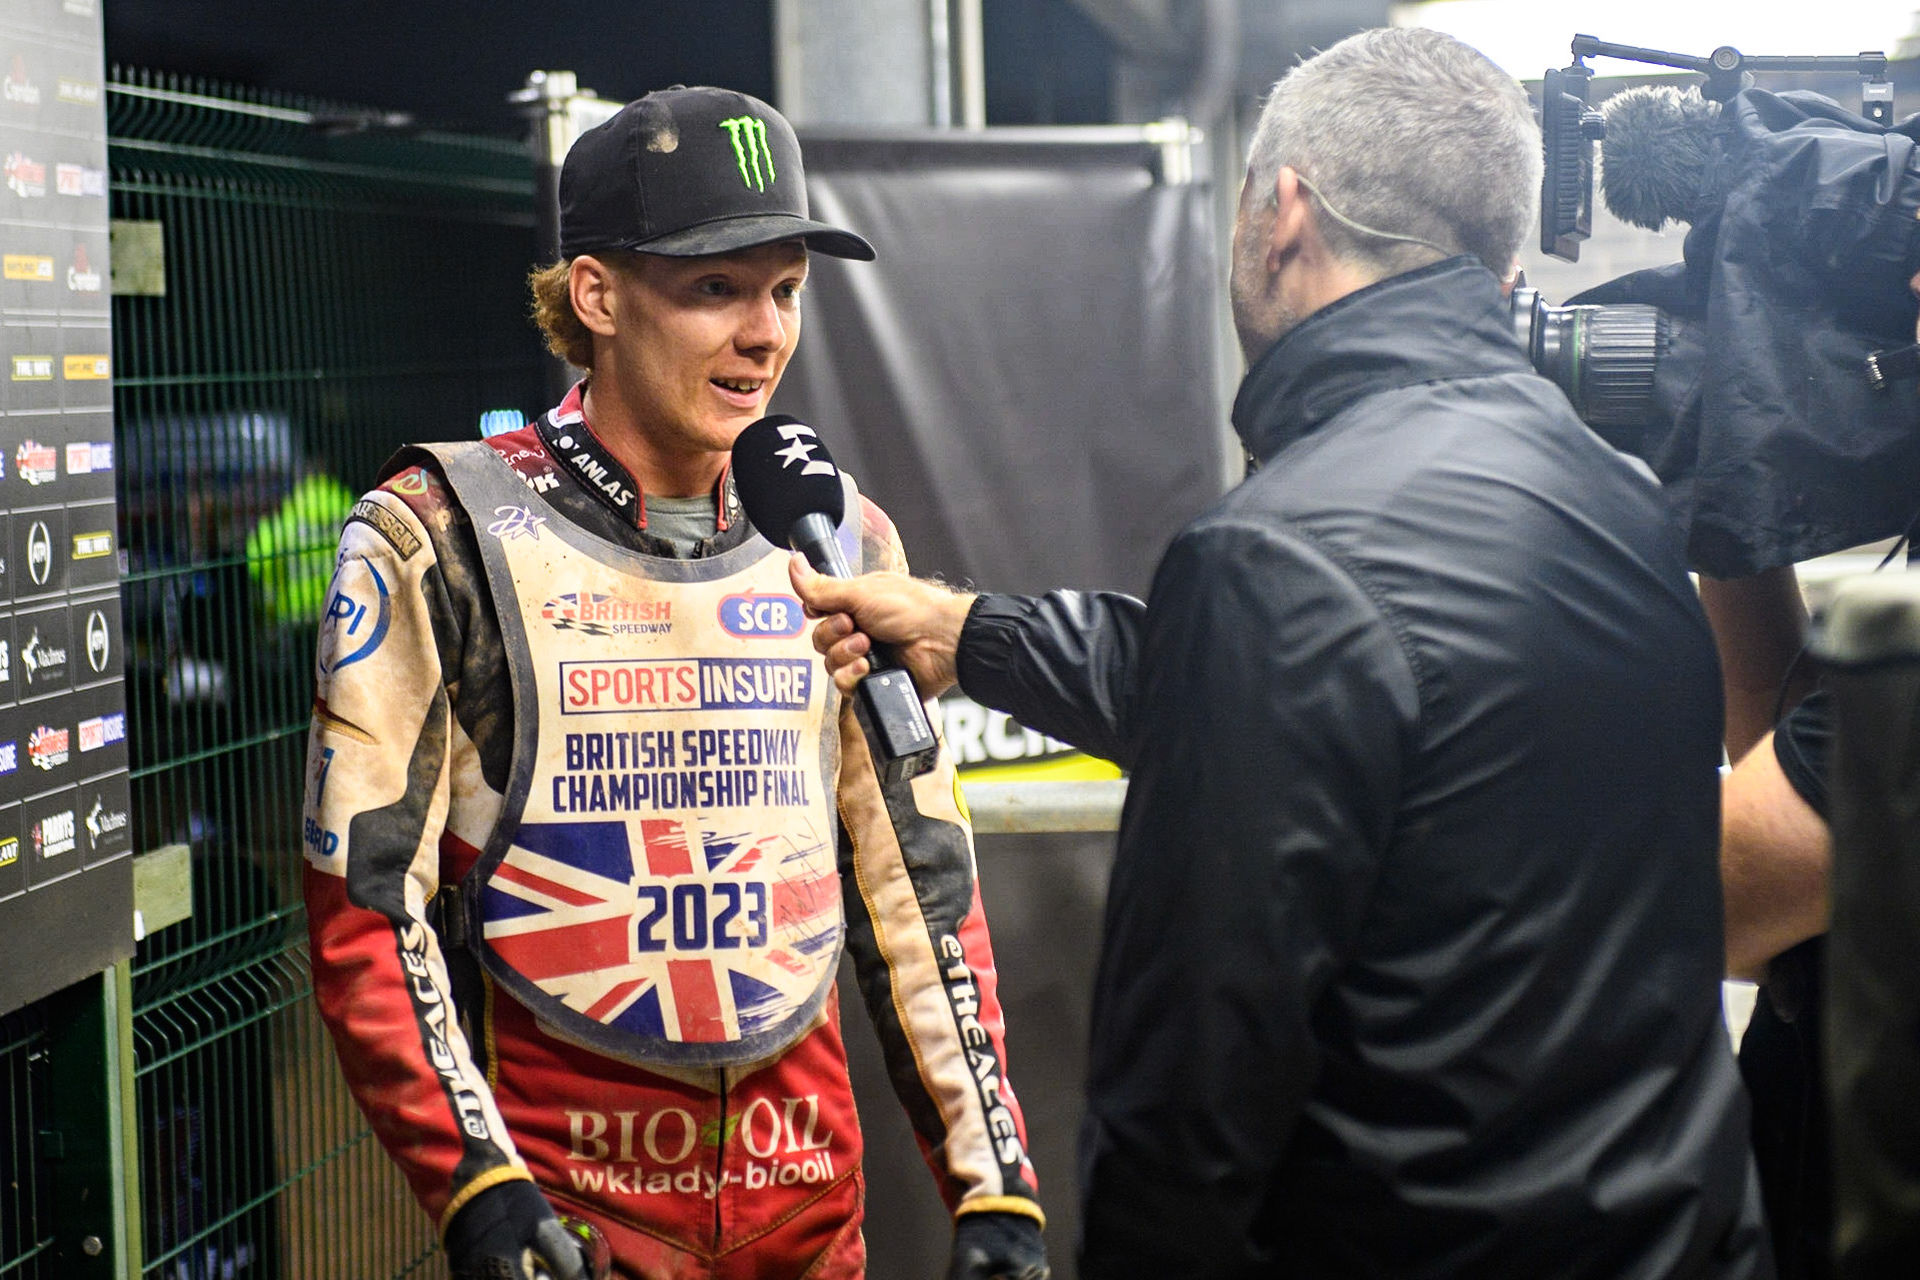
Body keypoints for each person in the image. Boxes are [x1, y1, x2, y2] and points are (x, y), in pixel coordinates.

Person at [791, 28, 1771, 1277]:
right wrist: (971, 631)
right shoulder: (1625, 505)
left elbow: (1182, 1116)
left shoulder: (1275, 559)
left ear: (1283, 213)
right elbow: (1362, 728)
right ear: (1501, 253)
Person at [300, 87, 1047, 1280]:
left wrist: (994, 1184)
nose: (766, 334)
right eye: (717, 288)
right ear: (596, 295)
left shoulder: (842, 535)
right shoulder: (434, 531)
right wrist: (478, 1186)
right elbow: (367, 905)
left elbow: (920, 885)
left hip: (810, 1218)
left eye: (786, 289)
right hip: (576, 1223)